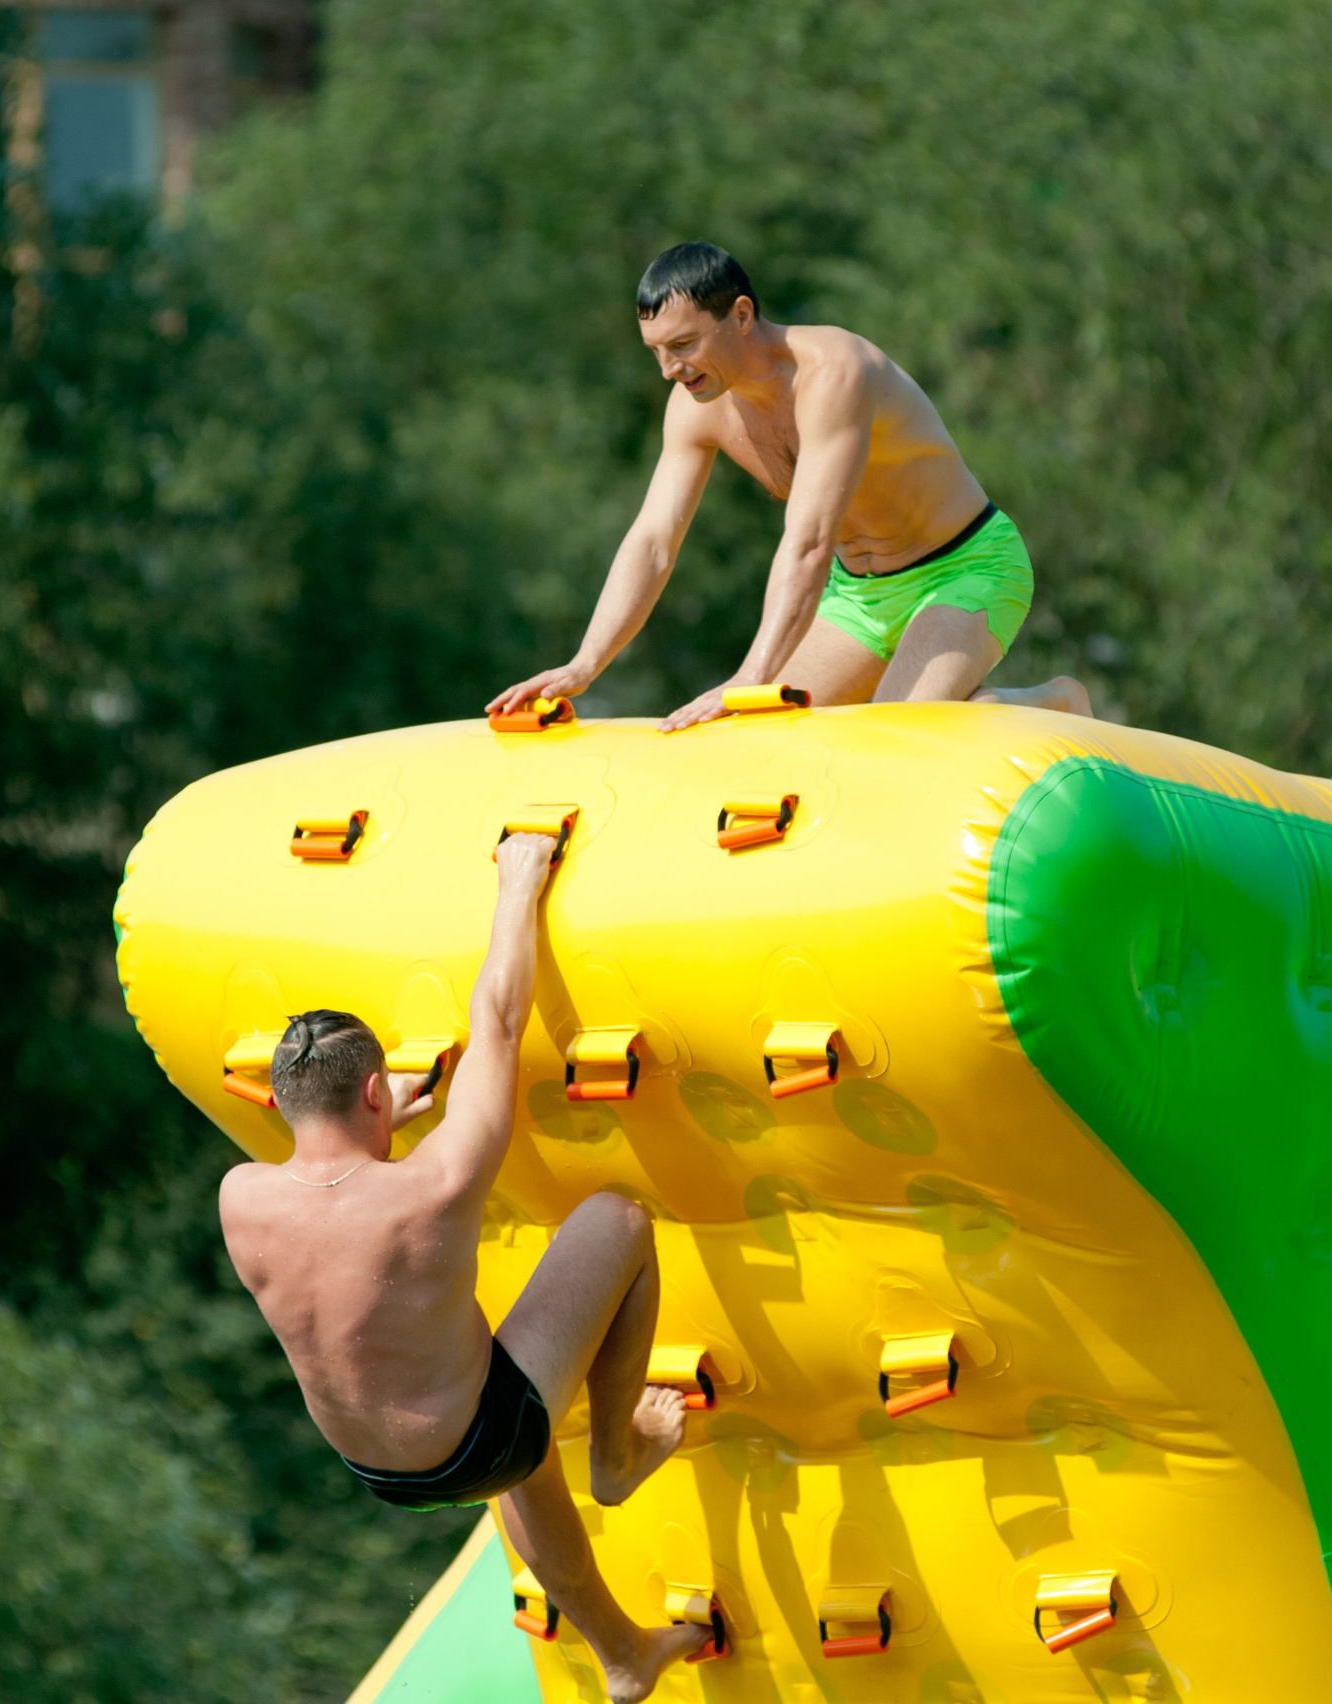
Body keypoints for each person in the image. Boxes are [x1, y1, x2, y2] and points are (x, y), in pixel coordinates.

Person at [218, 833, 710, 1703]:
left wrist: (378, 1136)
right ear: (377, 1093)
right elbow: (500, 1021)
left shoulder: (240, 1199)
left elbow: (337, 1212)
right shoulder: (434, 1183)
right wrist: (518, 885)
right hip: (479, 1439)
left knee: (499, 1415)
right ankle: (617, 1453)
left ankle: (623, 1655)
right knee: (619, 1221)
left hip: (376, 1469)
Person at [488, 241, 1090, 732]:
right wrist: (585, 665)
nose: (670, 370)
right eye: (657, 352)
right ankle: (974, 709)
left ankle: (1052, 703)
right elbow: (652, 541)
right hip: (859, 597)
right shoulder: (694, 407)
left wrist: (751, 676)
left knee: (894, 736)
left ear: (741, 315)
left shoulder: (834, 372)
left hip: (964, 569)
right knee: (767, 735)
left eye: (684, 345)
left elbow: (808, 543)